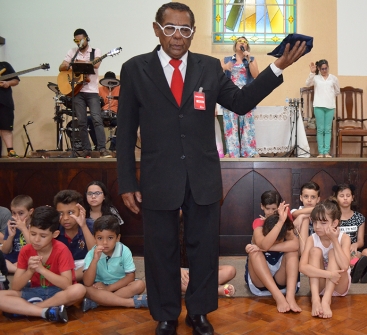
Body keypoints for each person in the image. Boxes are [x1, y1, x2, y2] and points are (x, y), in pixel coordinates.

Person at [115, 2, 306, 334]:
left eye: (185, 29)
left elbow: (241, 102)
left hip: (202, 177)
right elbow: (126, 129)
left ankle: (200, 312)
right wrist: (126, 180)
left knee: (203, 249)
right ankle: (165, 315)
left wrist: (276, 67)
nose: (178, 36)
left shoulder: (208, 67)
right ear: (157, 29)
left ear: (192, 33)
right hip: (159, 177)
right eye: (170, 28)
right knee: (161, 249)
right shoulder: (135, 69)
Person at [0, 206, 86, 323]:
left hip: (58, 293)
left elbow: (66, 284)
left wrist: (42, 270)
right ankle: (46, 312)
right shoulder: (26, 250)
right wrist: (30, 271)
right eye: (33, 233)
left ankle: (29, 309)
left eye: (43, 236)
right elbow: (15, 286)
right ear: (29, 228)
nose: (36, 240)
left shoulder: (61, 250)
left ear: (55, 234)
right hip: (34, 291)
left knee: (79, 290)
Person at [59, 28, 112, 158]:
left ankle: (102, 148)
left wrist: (79, 64)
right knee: (81, 121)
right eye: (76, 40)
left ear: (87, 38)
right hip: (77, 91)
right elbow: (62, 67)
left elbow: (96, 65)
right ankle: (86, 149)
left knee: (96, 119)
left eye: (80, 39)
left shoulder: (95, 51)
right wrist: (73, 64)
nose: (78, 42)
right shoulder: (72, 52)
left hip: (92, 92)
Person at [81, 215, 148, 312]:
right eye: (100, 238)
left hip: (120, 285)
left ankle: (98, 302)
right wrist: (95, 260)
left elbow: (130, 277)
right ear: (94, 238)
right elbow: (87, 282)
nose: (105, 242)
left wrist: (108, 289)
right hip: (99, 287)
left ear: (118, 238)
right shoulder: (92, 253)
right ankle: (130, 302)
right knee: (86, 289)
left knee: (139, 284)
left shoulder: (124, 250)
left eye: (110, 238)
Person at [245, 201, 300, 313]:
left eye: (278, 241)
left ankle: (290, 297)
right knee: (254, 253)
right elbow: (264, 244)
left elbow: (296, 245)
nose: (274, 242)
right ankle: (278, 297)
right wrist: (279, 222)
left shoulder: (287, 231)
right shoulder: (259, 230)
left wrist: (266, 248)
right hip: (260, 281)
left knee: (293, 252)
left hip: (281, 280)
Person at [299, 198, 350, 318]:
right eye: (315, 222)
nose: (317, 227)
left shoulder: (344, 238)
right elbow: (302, 267)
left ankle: (326, 300)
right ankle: (315, 299)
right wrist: (329, 274)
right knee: (315, 251)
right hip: (320, 285)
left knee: (333, 252)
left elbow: (344, 266)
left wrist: (334, 240)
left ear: (335, 223)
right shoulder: (312, 238)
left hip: (339, 285)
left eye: (323, 223)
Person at [220, 36, 260, 158]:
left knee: (247, 124)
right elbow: (218, 73)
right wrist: (225, 67)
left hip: (246, 94)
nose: (242, 43)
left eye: (244, 42)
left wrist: (248, 58)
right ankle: (232, 152)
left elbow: (256, 75)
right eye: (239, 41)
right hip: (230, 95)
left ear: (247, 46)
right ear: (235, 45)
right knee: (230, 125)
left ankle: (249, 152)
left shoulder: (251, 59)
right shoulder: (227, 59)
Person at [331, 184, 367, 283]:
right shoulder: (332, 217)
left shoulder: (359, 217)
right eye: (342, 196)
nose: (345, 198)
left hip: (353, 251)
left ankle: (353, 270)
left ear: (352, 198)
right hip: (337, 249)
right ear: (336, 198)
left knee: (361, 256)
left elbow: (361, 241)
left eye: (348, 195)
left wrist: (355, 244)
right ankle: (355, 271)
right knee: (340, 258)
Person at [54, 190, 95, 281]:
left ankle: (66, 280)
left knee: (96, 263)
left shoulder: (91, 225)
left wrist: (83, 226)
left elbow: (95, 252)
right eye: (60, 213)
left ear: (81, 211)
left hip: (84, 265)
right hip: (63, 266)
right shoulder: (54, 227)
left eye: (71, 213)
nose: (65, 218)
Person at [305, 59, 340, 158]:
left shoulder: (333, 78)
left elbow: (337, 91)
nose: (325, 70)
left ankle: (327, 152)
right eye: (322, 69)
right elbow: (307, 83)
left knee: (328, 129)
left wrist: (329, 95)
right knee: (320, 129)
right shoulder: (316, 78)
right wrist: (311, 73)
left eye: (326, 68)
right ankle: (321, 152)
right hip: (318, 106)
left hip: (330, 106)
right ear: (319, 69)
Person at [88, 71, 120, 151]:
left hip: (116, 115)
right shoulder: (99, 90)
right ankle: (98, 145)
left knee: (124, 122)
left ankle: (113, 146)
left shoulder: (121, 89)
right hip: (102, 114)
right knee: (89, 119)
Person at [2, 195, 34, 273]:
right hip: (13, 260)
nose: (16, 217)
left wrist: (23, 228)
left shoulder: (35, 225)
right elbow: (5, 251)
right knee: (2, 260)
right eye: (14, 213)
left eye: (21, 213)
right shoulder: (12, 225)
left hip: (29, 259)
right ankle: (18, 270)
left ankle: (18, 270)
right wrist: (10, 236)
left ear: (30, 212)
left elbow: (34, 246)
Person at [291, 181, 321, 253]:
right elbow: (294, 214)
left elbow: (319, 210)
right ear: (301, 198)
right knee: (305, 220)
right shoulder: (295, 210)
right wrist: (303, 216)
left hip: (317, 247)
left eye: (313, 197)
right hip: (299, 248)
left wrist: (302, 216)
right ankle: (305, 254)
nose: (309, 200)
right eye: (306, 196)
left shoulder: (321, 212)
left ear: (318, 199)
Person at [0, 61, 20, 158]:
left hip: (4, 102)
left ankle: (10, 151)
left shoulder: (4, 65)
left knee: (6, 127)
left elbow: (16, 80)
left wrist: (7, 83)